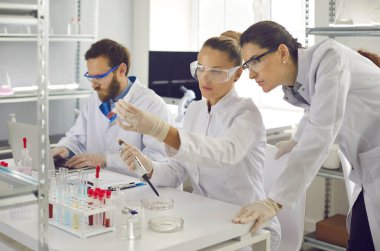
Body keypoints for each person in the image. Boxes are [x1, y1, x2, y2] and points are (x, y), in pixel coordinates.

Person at [117, 31, 281, 251]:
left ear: (236, 75)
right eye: (201, 69)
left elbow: (223, 153)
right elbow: (177, 170)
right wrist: (148, 166)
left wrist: (161, 129)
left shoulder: (245, 113)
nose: (205, 78)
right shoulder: (194, 110)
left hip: (246, 224)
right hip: (203, 217)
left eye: (217, 72)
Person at [232, 21, 380, 251]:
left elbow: (322, 131)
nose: (251, 74)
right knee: (362, 239)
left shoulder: (330, 58)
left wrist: (274, 201)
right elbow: (315, 110)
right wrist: (297, 139)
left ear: (282, 52)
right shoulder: (305, 80)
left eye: (254, 62)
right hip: (372, 170)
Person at [52, 39, 171, 176]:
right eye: (90, 77)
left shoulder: (152, 105)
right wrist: (64, 148)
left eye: (99, 77)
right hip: (101, 185)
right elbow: (77, 137)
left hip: (140, 190)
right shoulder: (95, 98)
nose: (93, 85)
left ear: (121, 70)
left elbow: (156, 161)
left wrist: (105, 160)